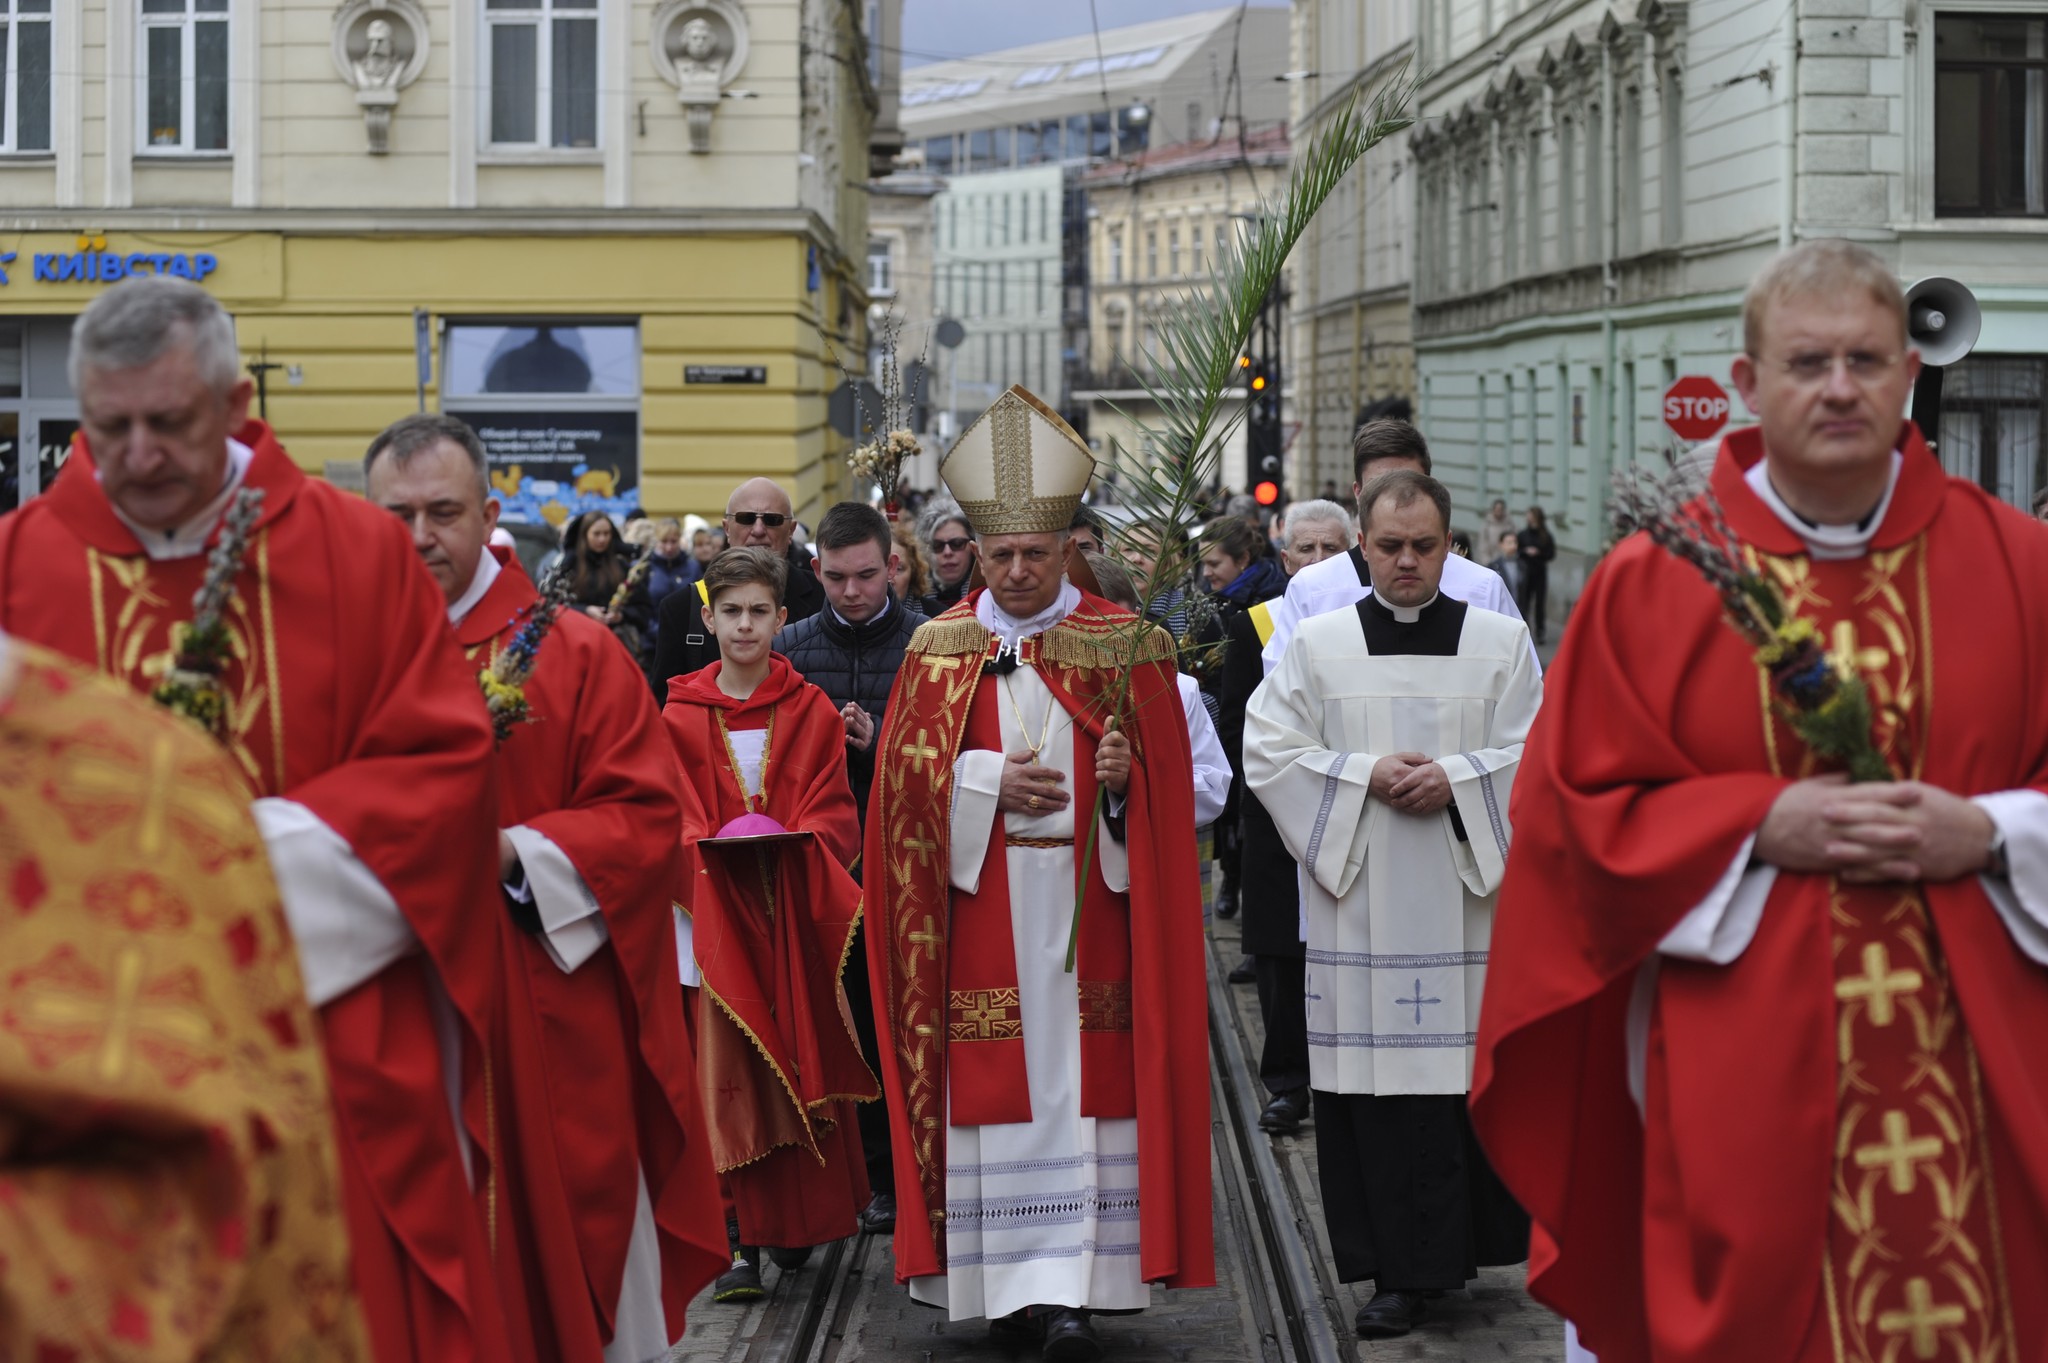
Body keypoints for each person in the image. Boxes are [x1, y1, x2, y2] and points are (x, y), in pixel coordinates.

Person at [1472, 238, 2048, 1363]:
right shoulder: (1652, 583)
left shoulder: (2021, 567)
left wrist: (1988, 831)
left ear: (1907, 375)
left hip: (1987, 1067)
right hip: (1737, 1070)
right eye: (1806, 362)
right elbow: (1567, 825)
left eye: (1866, 359)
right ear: (1746, 383)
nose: (1839, 387)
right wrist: (1752, 824)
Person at [0, 276, 520, 1363]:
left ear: (236, 403)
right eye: (110, 427)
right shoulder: (19, 562)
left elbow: (438, 772)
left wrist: (216, 866)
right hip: (78, 1064)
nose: (136, 453)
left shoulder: (357, 552)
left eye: (169, 422)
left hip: (322, 1034)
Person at [365, 415, 727, 1363]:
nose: (417, 536)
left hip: (539, 1021)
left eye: (442, 512)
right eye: (395, 513)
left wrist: (511, 855)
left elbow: (647, 822)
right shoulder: (340, 654)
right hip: (380, 1024)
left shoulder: (571, 653)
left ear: (490, 514)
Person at [865, 385, 1212, 1361]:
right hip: (981, 918)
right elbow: (896, 796)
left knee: (1086, 1094)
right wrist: (978, 783)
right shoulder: (938, 652)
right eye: (999, 554)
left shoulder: (1126, 644)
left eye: (1035, 554)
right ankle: (1007, 1285)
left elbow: (1172, 797)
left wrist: (1119, 788)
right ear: (973, 552)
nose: (1016, 572)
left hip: (1089, 911)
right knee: (997, 1099)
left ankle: (1075, 1291)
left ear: (1069, 549)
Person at [0, 633, 371, 1362]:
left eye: (442, 510)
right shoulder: (29, 555)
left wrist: (259, 844)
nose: (423, 532)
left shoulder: (149, 783)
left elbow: (207, 1211)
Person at [1246, 470, 1539, 1340]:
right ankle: (1396, 1273)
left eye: (1424, 545)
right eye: (1389, 545)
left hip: (1465, 906)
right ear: (1362, 546)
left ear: (1451, 546)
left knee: (1452, 1088)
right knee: (1372, 1093)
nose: (1407, 561)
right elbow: (1269, 749)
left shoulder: (1500, 641)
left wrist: (1457, 777)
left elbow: (1541, 747)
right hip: (1361, 907)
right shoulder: (1319, 642)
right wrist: (1363, 771)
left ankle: (1457, 1257)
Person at [664, 547, 876, 1299]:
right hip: (710, 921)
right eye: (731, 612)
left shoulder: (810, 709)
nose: (745, 625)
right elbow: (668, 812)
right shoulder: (678, 714)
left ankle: (790, 1221)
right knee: (721, 1078)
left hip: (790, 915)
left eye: (759, 611)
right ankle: (736, 1238)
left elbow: (833, 811)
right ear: (710, 617)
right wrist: (705, 849)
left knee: (793, 1061)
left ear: (782, 618)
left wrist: (794, 845)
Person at [773, 501, 929, 1235]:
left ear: (892, 564)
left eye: (867, 574)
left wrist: (883, 743)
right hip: (826, 872)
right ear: (816, 572)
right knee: (847, 1024)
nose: (852, 591)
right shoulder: (793, 648)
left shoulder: (932, 642)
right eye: (836, 577)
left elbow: (961, 753)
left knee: (909, 1022)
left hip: (914, 869)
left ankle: (912, 1168)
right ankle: (864, 1173)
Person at [1213, 499, 1352, 1130]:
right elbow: (1240, 726)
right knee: (1280, 950)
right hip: (1277, 810)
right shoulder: (1256, 625)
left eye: (1333, 550)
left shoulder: (1367, 622)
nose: (1319, 562)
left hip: (1353, 805)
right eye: (1308, 550)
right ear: (1285, 557)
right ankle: (1288, 1081)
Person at [1260, 420, 1527, 673]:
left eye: (1410, 484)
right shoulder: (1312, 588)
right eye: (1379, 486)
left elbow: (1523, 696)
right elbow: (1284, 694)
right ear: (1357, 492)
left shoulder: (1482, 587)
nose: (1397, 499)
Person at [653, 478, 824, 685]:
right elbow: (665, 704)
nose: (759, 530)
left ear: (790, 530)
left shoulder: (823, 597)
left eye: (772, 520)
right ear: (726, 528)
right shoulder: (682, 608)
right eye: (746, 518)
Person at [919, 499, 976, 616]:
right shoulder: (915, 598)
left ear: (973, 547)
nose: (947, 552)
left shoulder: (986, 595)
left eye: (957, 543)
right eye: (937, 545)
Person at [1513, 505, 1556, 644]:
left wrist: (1539, 553)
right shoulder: (1523, 534)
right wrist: (1526, 552)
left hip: (1540, 572)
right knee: (1524, 601)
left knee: (1539, 602)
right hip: (1526, 572)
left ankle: (1540, 630)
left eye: (1531, 515)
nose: (1528, 517)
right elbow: (1517, 551)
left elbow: (1551, 554)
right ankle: (1525, 628)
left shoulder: (1545, 535)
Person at [892, 520, 932, 602]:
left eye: (898, 569)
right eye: (883, 568)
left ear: (913, 572)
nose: (890, 580)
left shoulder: (938, 613)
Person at [1485, 530, 1523, 599]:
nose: (1513, 546)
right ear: (1501, 544)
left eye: (1515, 542)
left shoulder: (1523, 566)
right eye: (1509, 543)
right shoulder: (1493, 566)